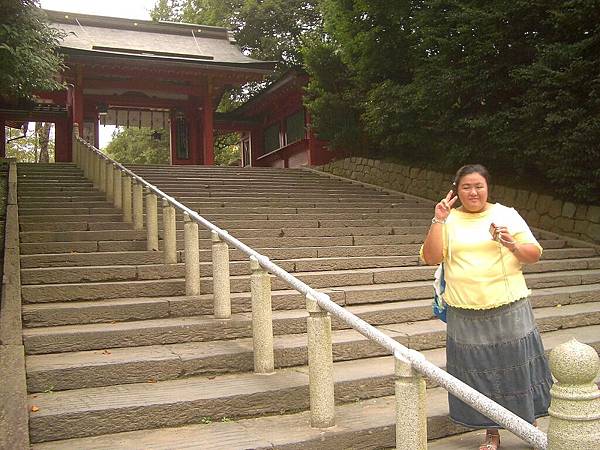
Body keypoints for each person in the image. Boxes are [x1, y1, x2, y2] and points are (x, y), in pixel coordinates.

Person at [421, 164, 553, 450]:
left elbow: (534, 254)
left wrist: (512, 245)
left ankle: (530, 425)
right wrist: (438, 220)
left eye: (478, 186)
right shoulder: (449, 220)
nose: (473, 192)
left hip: (510, 307)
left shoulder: (505, 214)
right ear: (456, 190)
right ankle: (491, 433)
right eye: (466, 186)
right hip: (465, 311)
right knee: (479, 373)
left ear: (487, 187)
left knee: (518, 367)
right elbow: (431, 257)